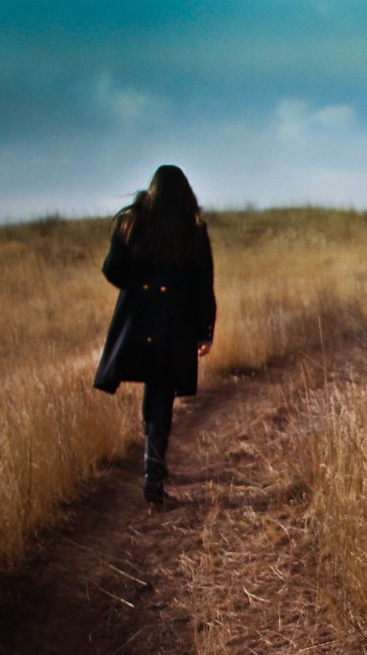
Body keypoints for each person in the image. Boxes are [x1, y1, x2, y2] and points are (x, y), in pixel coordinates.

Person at [93, 165, 216, 505]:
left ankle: (153, 468)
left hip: (138, 319)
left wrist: (137, 287)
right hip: (175, 323)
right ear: (185, 193)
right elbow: (203, 284)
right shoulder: (192, 229)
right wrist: (205, 330)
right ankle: (153, 472)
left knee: (155, 385)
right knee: (160, 390)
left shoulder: (131, 222)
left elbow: (112, 270)